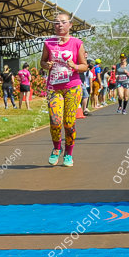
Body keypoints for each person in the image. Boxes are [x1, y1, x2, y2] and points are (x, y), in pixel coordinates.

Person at [40, 13, 87, 167]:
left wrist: (75, 66)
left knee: (68, 123)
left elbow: (84, 66)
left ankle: (68, 153)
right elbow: (43, 62)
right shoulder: (48, 43)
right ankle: (56, 149)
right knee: (55, 121)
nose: (59, 25)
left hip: (72, 87)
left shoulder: (77, 43)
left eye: (63, 22)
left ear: (70, 25)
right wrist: (46, 65)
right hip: (54, 88)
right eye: (56, 23)